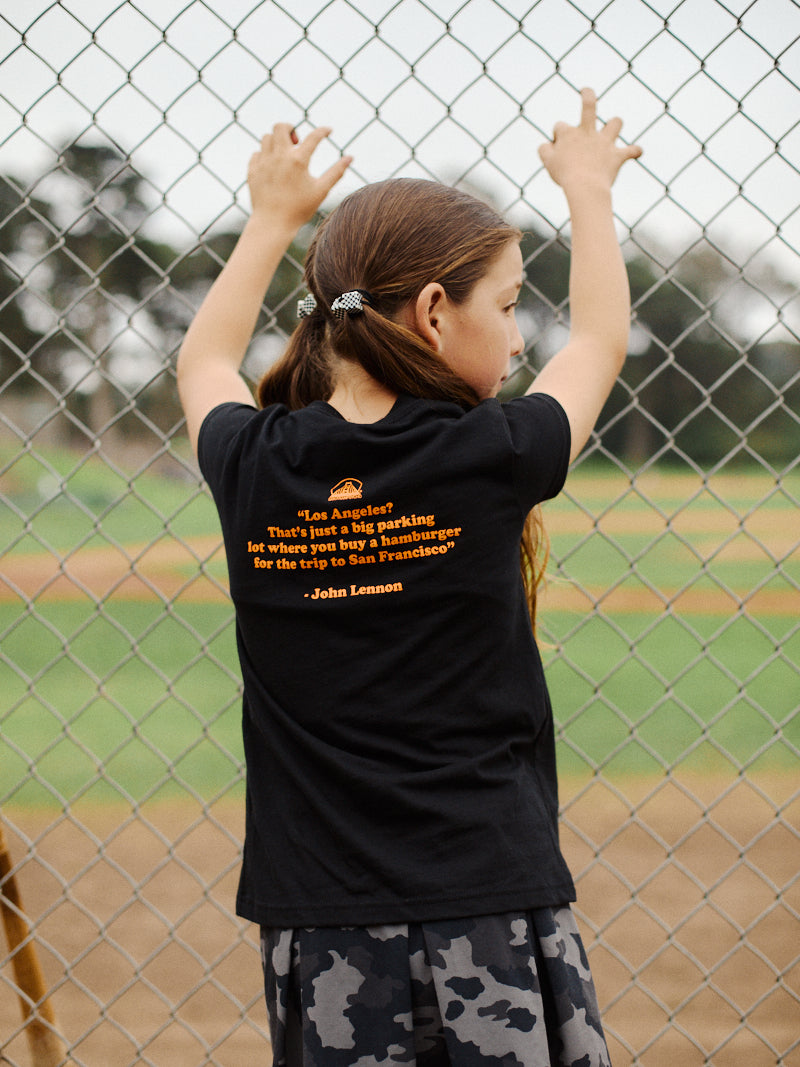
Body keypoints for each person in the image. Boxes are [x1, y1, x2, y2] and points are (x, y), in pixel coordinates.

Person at [177, 87, 641, 1066]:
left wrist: (269, 219)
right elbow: (599, 340)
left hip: (320, 923)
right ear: (433, 312)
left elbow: (205, 358)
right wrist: (587, 192)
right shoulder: (492, 451)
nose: (518, 339)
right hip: (491, 905)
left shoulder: (253, 461)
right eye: (509, 306)